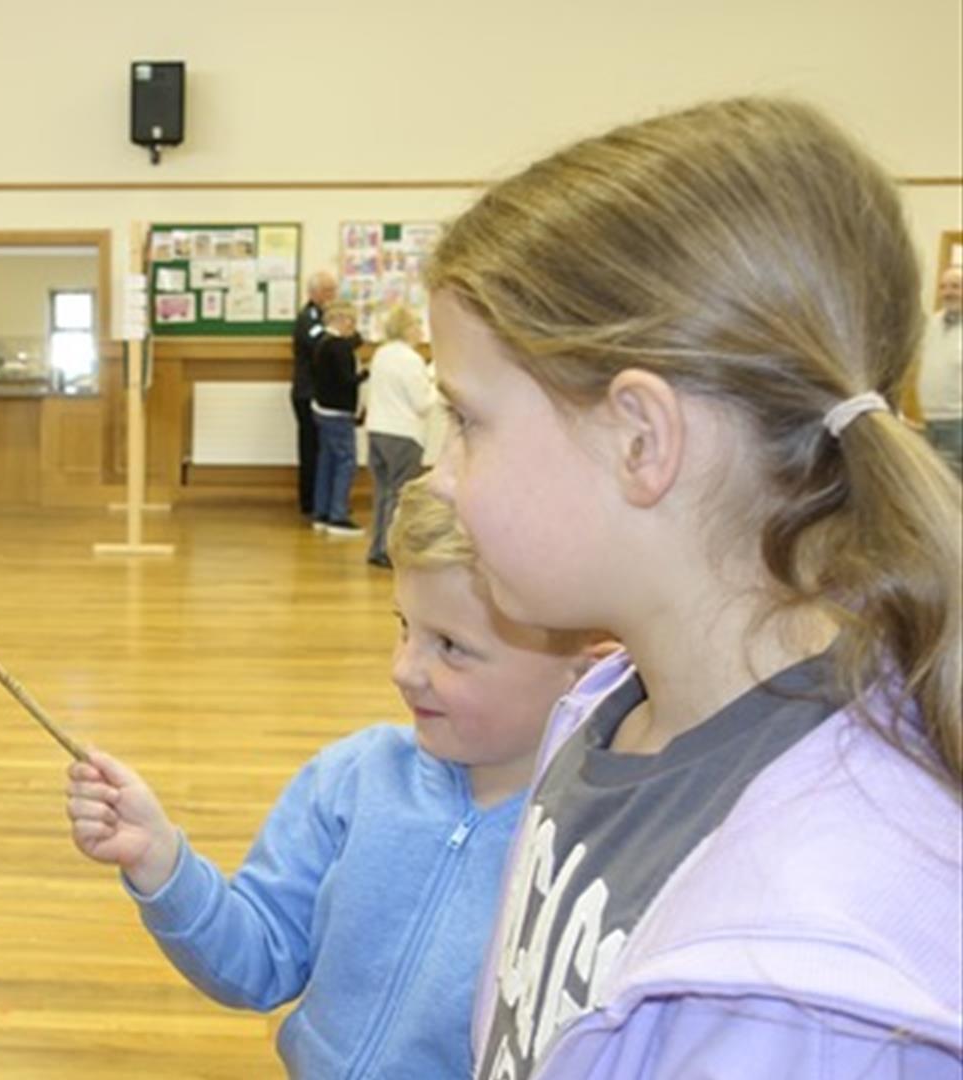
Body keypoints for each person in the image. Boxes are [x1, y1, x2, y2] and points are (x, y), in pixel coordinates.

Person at [423, 98, 962, 1077]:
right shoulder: (609, 708)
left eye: (467, 419)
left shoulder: (809, 987)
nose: (441, 473)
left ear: (642, 440)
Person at [65, 480, 604, 1078]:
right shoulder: (352, 778)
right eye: (405, 626)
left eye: (450, 646)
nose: (404, 670)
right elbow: (257, 957)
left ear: (586, 667)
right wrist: (161, 860)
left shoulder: (597, 852)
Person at [362, 307, 436, 568]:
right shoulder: (410, 359)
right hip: (404, 434)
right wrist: (435, 381)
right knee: (400, 494)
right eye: (416, 325)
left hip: (377, 431)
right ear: (406, 329)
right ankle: (391, 551)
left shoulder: (381, 354)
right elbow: (422, 404)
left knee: (383, 492)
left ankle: (377, 547)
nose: (421, 330)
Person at [310, 302, 365, 535]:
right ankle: (338, 515)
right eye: (351, 321)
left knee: (326, 463)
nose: (353, 327)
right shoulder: (339, 347)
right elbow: (346, 380)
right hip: (339, 412)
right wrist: (365, 374)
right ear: (340, 320)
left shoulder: (322, 343)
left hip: (322, 409)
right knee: (345, 463)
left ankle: (322, 512)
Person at [290, 272, 338, 517]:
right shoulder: (307, 318)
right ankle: (309, 503)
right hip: (307, 394)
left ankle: (324, 501)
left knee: (324, 449)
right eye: (327, 290)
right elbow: (322, 344)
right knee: (311, 450)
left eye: (334, 290)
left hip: (322, 394)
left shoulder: (325, 317)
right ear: (314, 293)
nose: (332, 295)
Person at [915, 265, 962, 474]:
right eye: (943, 287)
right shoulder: (932, 323)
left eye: (955, 286)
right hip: (930, 421)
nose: (948, 292)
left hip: (957, 423)